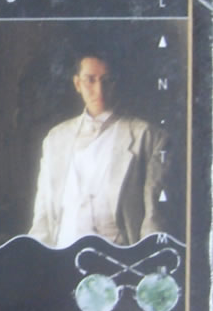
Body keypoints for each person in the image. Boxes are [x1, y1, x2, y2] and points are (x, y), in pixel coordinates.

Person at [29, 50, 169, 247]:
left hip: (119, 254)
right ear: (77, 84)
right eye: (90, 80)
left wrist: (146, 257)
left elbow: (153, 217)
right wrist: (38, 257)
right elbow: (43, 216)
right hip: (62, 252)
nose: (99, 89)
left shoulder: (146, 136)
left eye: (107, 80)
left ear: (116, 83)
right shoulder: (56, 139)